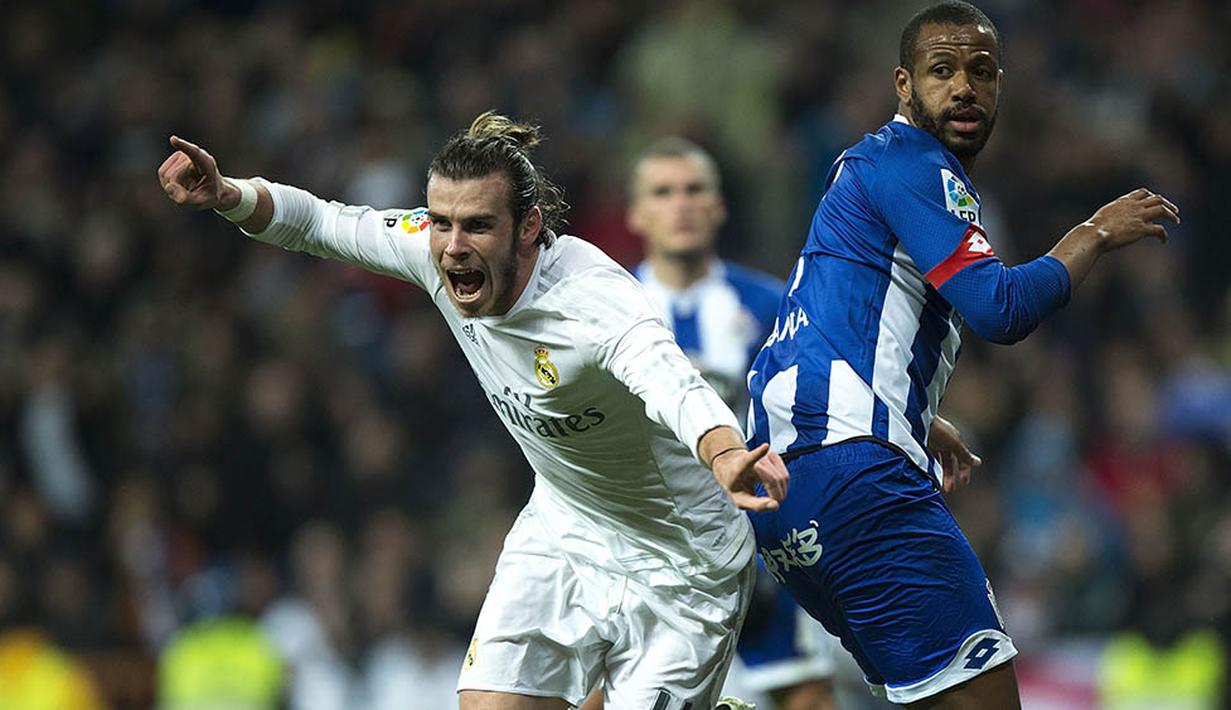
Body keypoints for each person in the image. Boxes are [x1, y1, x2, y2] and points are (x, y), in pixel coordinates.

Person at [157, 112, 789, 710]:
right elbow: (322, 222)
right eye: (441, 222)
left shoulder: (591, 301)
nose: (454, 247)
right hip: (566, 530)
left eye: (479, 226)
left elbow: (673, 381)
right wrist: (229, 194)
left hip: (682, 560)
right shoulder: (435, 252)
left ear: (529, 227)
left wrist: (725, 452)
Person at [743, 2, 1180, 708]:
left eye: (980, 71)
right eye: (941, 70)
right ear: (903, 86)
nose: (964, 88)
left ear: (1001, 84)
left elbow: (822, 317)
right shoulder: (914, 164)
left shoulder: (859, 171)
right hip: (859, 478)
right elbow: (998, 309)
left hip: (784, 498)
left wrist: (911, 418)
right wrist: (1095, 232)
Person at [627, 137, 838, 710]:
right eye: (664, 193)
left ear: (719, 206)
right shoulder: (612, 306)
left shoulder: (769, 304)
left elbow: (831, 387)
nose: (682, 205)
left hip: (759, 540)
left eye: (695, 190)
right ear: (637, 213)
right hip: (646, 552)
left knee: (808, 692)